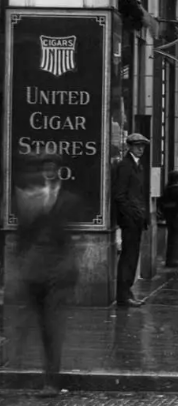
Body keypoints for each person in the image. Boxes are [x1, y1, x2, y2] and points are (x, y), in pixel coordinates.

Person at [14, 152, 81, 396]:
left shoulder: (70, 199)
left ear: (59, 170)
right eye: (46, 167)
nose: (49, 171)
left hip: (59, 270)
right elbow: (24, 235)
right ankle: (41, 374)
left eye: (53, 167)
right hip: (35, 269)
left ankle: (51, 380)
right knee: (40, 326)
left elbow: (70, 236)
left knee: (53, 326)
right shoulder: (31, 198)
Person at [112, 132, 150, 307]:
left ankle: (127, 291)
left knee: (132, 256)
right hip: (130, 220)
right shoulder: (125, 166)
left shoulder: (138, 166)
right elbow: (120, 195)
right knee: (128, 257)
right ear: (129, 146)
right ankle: (123, 294)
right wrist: (131, 214)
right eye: (137, 146)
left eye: (142, 146)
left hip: (136, 218)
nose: (140, 149)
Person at [159, 170, 178, 267]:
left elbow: (162, 202)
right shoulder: (177, 189)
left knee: (171, 237)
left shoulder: (167, 188)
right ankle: (175, 259)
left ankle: (169, 259)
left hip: (168, 215)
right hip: (176, 215)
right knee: (176, 237)